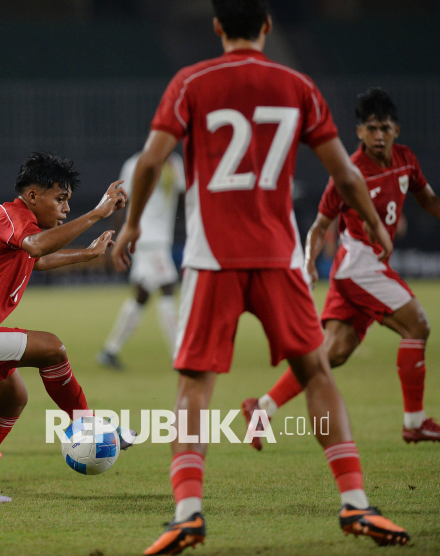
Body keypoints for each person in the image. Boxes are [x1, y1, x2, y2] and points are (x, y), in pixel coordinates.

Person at [111, 2, 409, 553]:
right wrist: (374, 223)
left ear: (218, 26)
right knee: (317, 373)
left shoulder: (191, 81)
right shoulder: (297, 85)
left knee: (195, 384)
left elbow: (152, 161)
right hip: (277, 255)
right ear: (269, 26)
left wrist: (131, 226)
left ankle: (188, 513)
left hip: (212, 257)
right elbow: (343, 172)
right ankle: (355, 503)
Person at [0, 152, 134, 504]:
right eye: (60, 198)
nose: (65, 208)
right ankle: (90, 425)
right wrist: (96, 213)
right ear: (33, 196)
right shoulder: (10, 215)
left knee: (12, 400)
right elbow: (35, 246)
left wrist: (87, 253)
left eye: (69, 201)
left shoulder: (20, 230)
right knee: (52, 348)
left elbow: (39, 257)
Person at [242, 88, 440, 448]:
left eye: (386, 127)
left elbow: (427, 200)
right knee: (418, 325)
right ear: (360, 132)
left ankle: (262, 407)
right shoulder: (347, 174)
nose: (379, 135)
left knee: (333, 352)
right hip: (358, 265)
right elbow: (318, 228)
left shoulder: (406, 160)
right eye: (372, 128)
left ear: (396, 129)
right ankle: (414, 421)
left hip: (364, 268)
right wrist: (308, 263)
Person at [97, 151, 185, 369]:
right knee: (167, 288)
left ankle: (110, 351)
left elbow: (184, 197)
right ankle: (180, 355)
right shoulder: (134, 164)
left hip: (160, 238)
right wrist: (116, 238)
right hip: (145, 237)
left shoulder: (175, 164)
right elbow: (121, 203)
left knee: (142, 295)